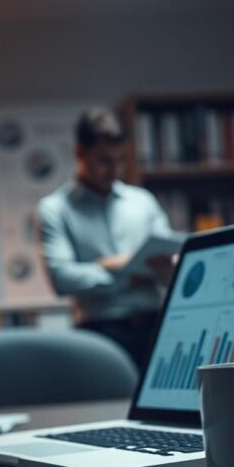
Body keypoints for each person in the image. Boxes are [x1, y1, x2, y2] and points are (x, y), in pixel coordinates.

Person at [37, 107, 175, 368]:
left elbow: (169, 260)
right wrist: (127, 274)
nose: (115, 170)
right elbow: (62, 279)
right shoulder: (54, 209)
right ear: (80, 153)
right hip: (98, 333)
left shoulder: (143, 202)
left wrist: (108, 265)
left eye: (121, 159)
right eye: (104, 160)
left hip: (155, 328)